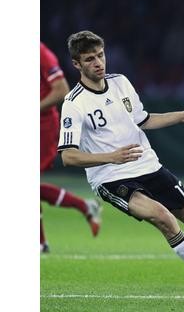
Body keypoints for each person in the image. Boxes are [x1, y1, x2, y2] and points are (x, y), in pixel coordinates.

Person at [57, 31, 184, 297]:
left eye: (101, 55)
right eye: (90, 59)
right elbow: (68, 156)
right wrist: (111, 157)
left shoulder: (121, 83)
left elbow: (144, 120)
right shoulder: (74, 103)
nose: (98, 63)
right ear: (76, 64)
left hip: (148, 166)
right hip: (111, 177)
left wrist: (182, 116)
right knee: (162, 217)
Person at [40, 42, 101, 253]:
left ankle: (40, 242)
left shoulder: (40, 52)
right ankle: (84, 206)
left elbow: (61, 90)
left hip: (42, 126)